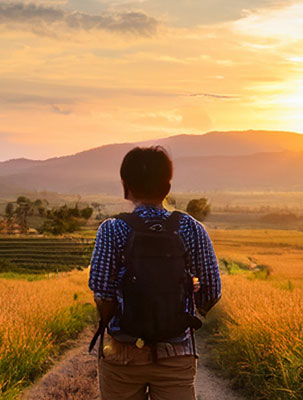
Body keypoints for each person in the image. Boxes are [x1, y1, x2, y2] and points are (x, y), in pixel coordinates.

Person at [88, 146, 222, 400]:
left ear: (125, 186)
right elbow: (212, 291)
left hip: (122, 356)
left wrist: (121, 322)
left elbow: (101, 292)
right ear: (167, 188)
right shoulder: (192, 229)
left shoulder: (111, 229)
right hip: (176, 352)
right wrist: (181, 316)